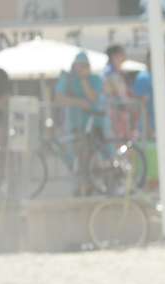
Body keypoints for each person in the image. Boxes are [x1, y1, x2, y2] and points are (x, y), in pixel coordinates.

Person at [54, 52, 104, 196]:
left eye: (84, 66)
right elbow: (59, 98)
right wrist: (79, 102)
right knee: (75, 154)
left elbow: (93, 98)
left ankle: (89, 184)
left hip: (94, 123)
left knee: (90, 154)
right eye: (79, 65)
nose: (81, 68)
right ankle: (81, 185)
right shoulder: (67, 79)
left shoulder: (95, 79)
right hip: (73, 124)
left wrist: (84, 80)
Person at [133, 52, 165, 161]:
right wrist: (148, 127)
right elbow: (141, 105)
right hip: (152, 124)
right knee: (155, 157)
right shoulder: (144, 78)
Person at [103, 45, 134, 141]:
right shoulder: (109, 72)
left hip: (122, 111)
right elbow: (110, 91)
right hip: (114, 112)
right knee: (117, 140)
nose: (124, 56)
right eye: (121, 54)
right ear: (114, 56)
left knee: (125, 140)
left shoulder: (120, 72)